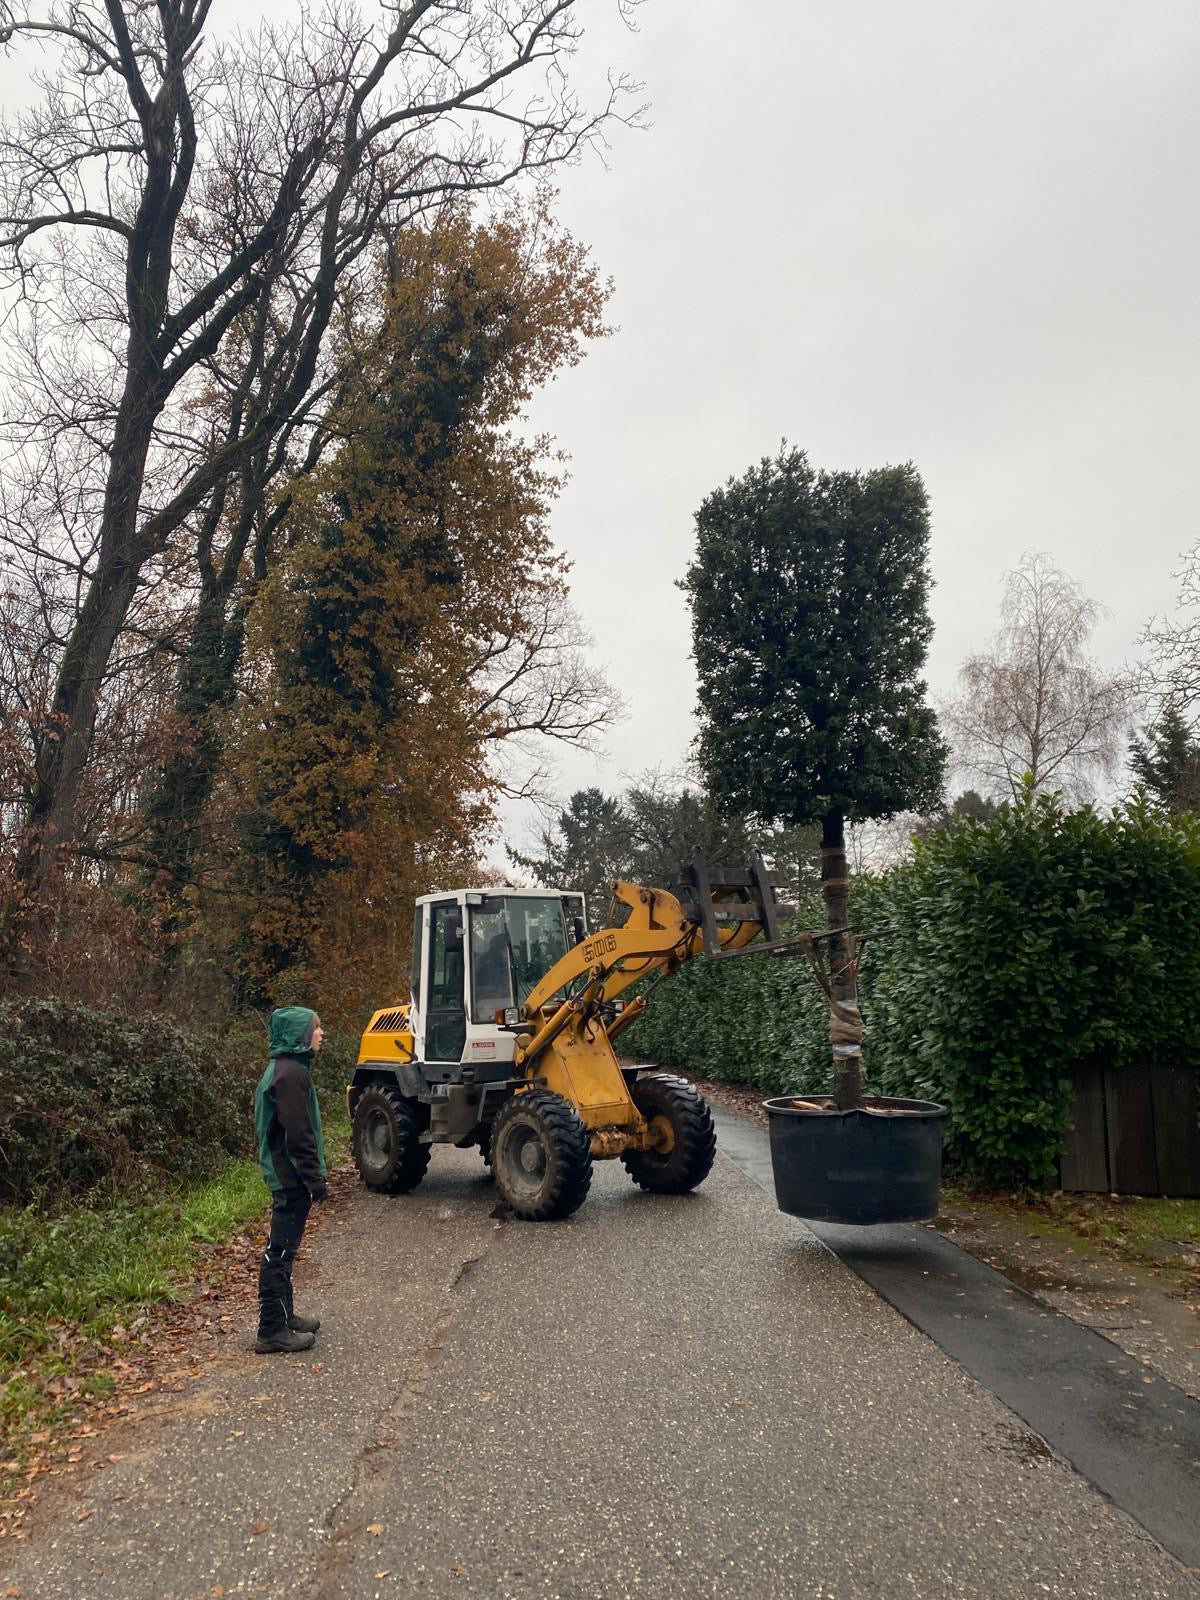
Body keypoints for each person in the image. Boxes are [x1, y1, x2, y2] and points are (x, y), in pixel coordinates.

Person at [253, 1006, 328, 1355]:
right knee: (279, 1252)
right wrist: (315, 1180)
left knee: (285, 1248)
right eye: (315, 1028)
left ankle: (285, 1316)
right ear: (299, 1035)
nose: (321, 1033)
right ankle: (271, 1329)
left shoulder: (286, 1070)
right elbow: (298, 1135)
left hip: (286, 1174)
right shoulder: (291, 1075)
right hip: (290, 1178)